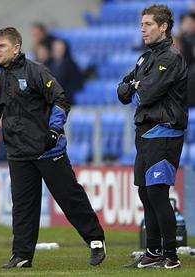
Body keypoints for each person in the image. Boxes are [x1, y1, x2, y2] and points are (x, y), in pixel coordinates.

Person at [0, 27, 106, 269]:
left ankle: (96, 240)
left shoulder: (36, 71)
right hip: (17, 152)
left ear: (16, 48)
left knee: (69, 198)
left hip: (48, 149)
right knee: (23, 206)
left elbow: (60, 99)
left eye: (1, 46)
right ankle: (22, 255)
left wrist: (54, 131)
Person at [117, 5, 187, 269]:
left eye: (148, 24)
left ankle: (171, 256)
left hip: (164, 131)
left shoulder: (169, 57)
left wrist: (136, 86)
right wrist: (134, 86)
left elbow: (146, 94)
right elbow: (122, 91)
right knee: (146, 193)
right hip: (145, 133)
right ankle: (153, 252)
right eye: (141, 24)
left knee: (158, 193)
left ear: (163, 27)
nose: (142, 29)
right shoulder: (145, 58)